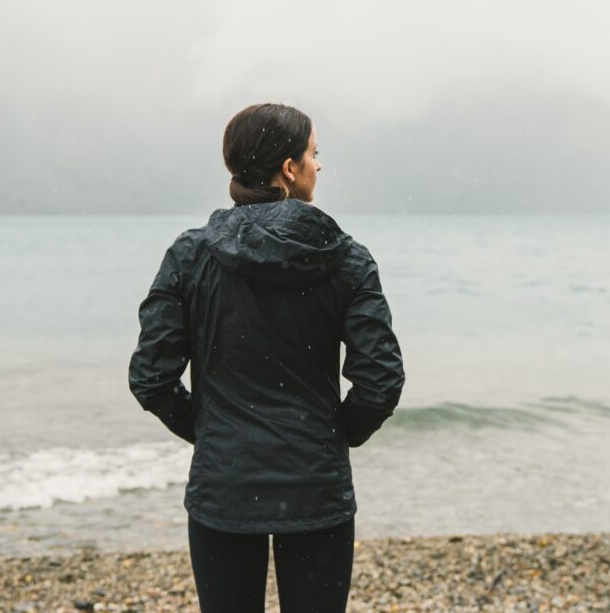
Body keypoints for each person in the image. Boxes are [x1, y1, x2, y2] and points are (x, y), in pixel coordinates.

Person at [128, 102, 405, 612]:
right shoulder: (346, 258)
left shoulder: (190, 256)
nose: (319, 166)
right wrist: (335, 434)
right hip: (315, 486)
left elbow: (150, 377)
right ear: (289, 168)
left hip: (224, 486)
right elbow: (381, 381)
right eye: (314, 154)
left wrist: (213, 432)